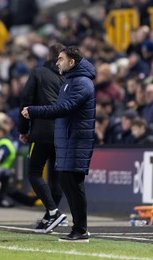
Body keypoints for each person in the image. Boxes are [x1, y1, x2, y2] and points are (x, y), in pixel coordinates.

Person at [21, 46, 96, 242]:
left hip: (76, 139)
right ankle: (78, 228)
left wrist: (34, 111)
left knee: (74, 184)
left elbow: (64, 108)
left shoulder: (81, 83)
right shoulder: (69, 81)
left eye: (61, 59)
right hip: (67, 139)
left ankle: (81, 229)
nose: (57, 62)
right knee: (66, 181)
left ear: (72, 62)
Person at [18, 43, 66, 234]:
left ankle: (53, 212)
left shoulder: (38, 73)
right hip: (62, 133)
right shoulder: (67, 78)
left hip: (42, 131)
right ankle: (49, 217)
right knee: (56, 176)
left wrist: (23, 129)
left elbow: (25, 101)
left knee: (34, 172)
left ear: (48, 56)